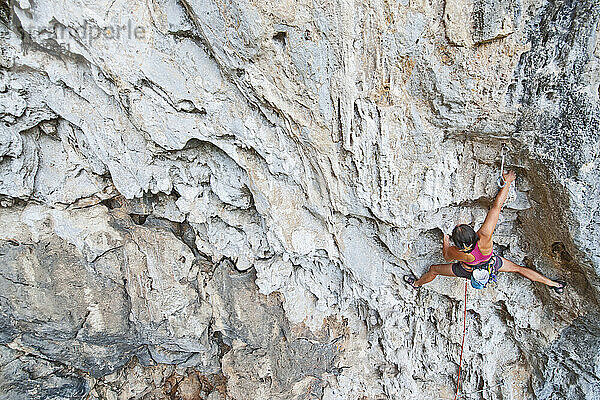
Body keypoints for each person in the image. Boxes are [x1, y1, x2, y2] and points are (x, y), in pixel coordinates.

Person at [404, 170, 565, 293]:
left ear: (458, 243)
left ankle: (417, 284)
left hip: (466, 270)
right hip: (491, 264)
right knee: (518, 268)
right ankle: (555, 285)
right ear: (474, 233)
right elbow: (496, 207)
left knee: (434, 269)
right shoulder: (485, 237)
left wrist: (445, 240)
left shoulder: (460, 253)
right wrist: (507, 182)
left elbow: (446, 256)